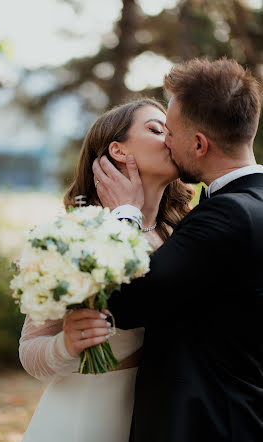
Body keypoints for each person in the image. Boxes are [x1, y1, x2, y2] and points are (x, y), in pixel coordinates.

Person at [92, 58, 263, 442]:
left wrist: (124, 215)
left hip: (208, 425)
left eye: (169, 132)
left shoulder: (227, 214)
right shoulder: (244, 204)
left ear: (199, 144)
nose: (166, 141)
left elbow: (126, 302)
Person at [19, 98, 193, 442]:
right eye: (157, 129)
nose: (171, 139)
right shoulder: (77, 234)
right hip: (86, 416)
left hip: (162, 416)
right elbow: (30, 350)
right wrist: (67, 345)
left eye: (173, 131)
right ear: (118, 150)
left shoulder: (183, 234)